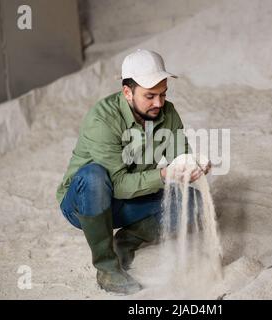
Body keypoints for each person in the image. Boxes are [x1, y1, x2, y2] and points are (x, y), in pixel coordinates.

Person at [56, 49, 210, 295]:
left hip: (131, 200)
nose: (159, 103)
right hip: (85, 203)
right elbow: (116, 184)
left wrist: (193, 165)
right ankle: (107, 267)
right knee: (94, 175)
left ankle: (126, 240)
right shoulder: (102, 119)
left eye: (163, 94)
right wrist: (164, 176)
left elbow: (179, 159)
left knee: (192, 202)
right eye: (150, 96)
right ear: (127, 92)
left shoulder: (166, 113)